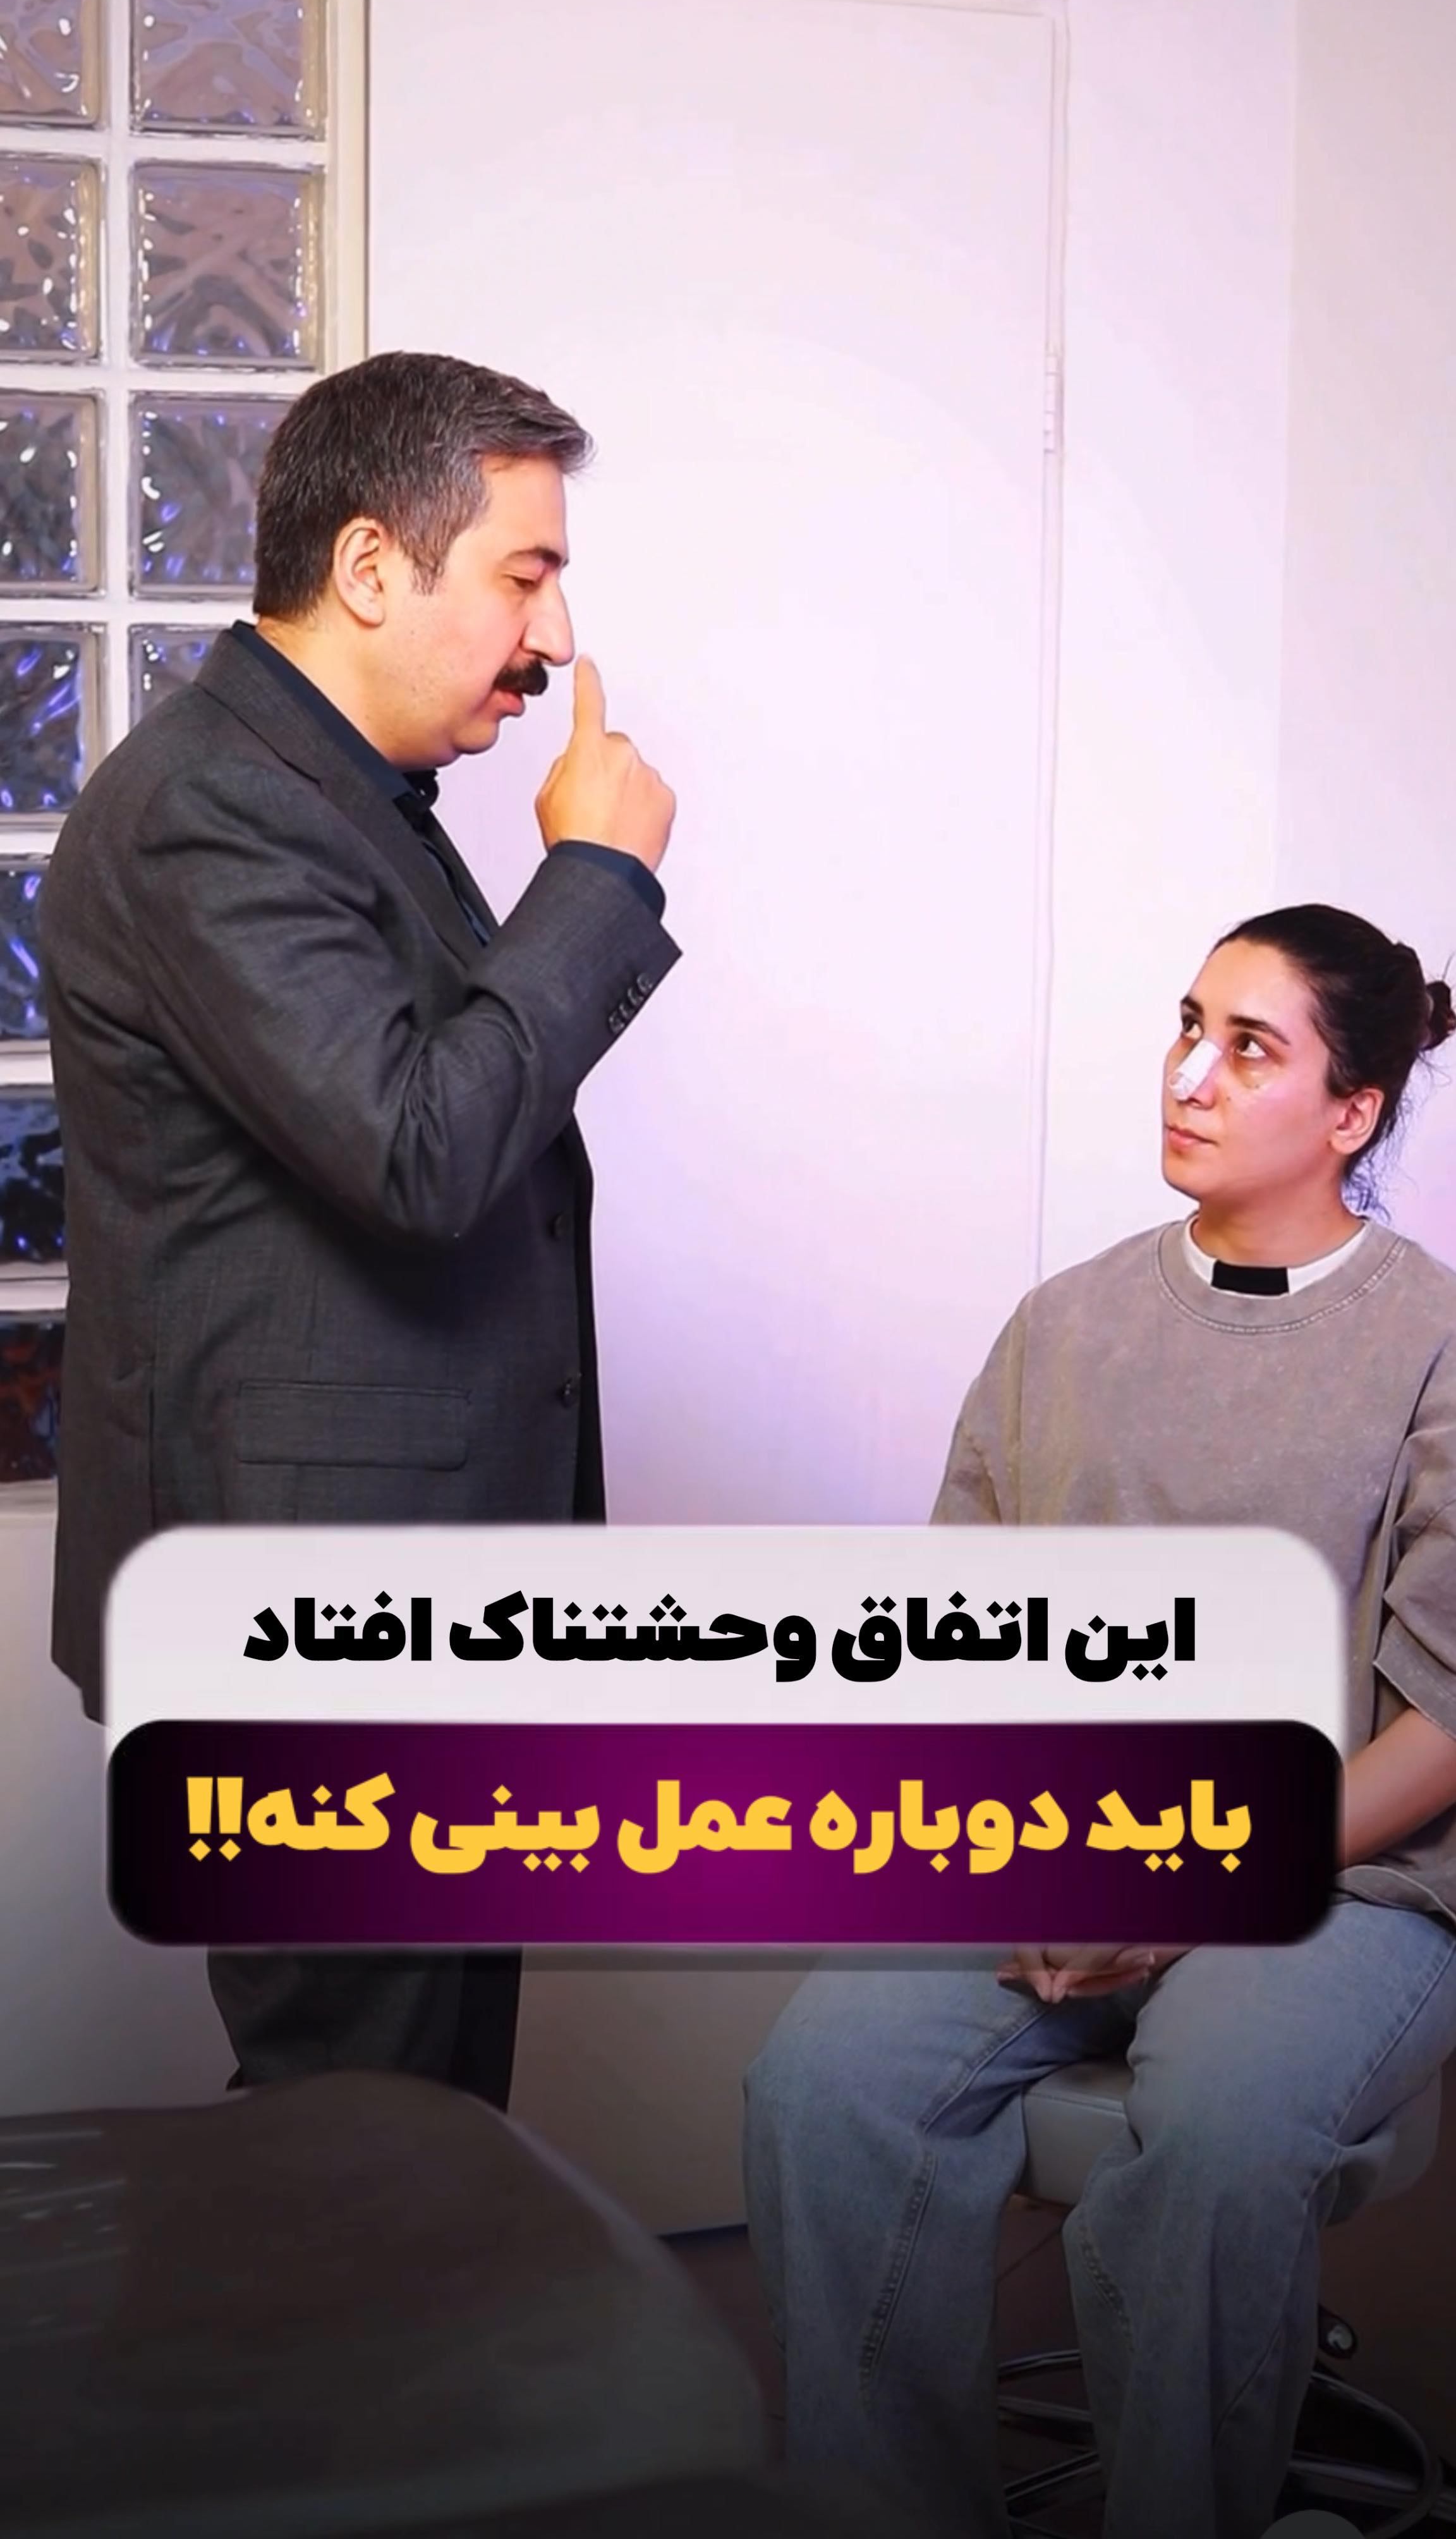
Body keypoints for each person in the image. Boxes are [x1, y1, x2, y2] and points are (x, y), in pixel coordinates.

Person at [744, 904, 1456, 2539]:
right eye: (1188, 1027)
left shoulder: (1433, 1343)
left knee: (1214, 2136)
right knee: (818, 2091)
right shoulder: (1063, 1326)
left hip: (1344, 1876)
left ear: (1351, 1113)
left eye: (1249, 1048)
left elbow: (1442, 1723)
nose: (1189, 1075)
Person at [41, 350, 679, 2105]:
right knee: (357, 2145)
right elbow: (419, 1151)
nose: (552, 639)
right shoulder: (209, 810)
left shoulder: (339, 796)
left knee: (432, 2134)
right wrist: (601, 880)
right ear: (375, 568)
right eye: (526, 576)